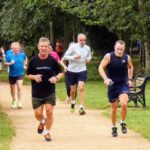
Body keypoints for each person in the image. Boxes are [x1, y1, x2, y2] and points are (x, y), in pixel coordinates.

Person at [26, 37, 63, 142]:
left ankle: (46, 132)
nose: (44, 48)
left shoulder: (52, 60)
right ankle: (42, 121)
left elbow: (60, 73)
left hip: (49, 91)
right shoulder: (33, 60)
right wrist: (34, 77)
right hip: (37, 92)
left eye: (46, 46)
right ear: (38, 47)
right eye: (42, 46)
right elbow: (28, 75)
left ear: (48, 48)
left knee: (49, 111)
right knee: (37, 114)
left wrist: (56, 78)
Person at [98, 40, 133, 137]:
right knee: (113, 109)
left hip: (123, 84)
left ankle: (122, 122)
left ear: (124, 49)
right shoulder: (109, 56)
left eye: (121, 49)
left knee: (124, 104)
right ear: (114, 48)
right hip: (112, 85)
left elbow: (130, 67)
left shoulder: (127, 57)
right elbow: (100, 68)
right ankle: (113, 127)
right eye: (118, 49)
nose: (119, 51)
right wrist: (106, 79)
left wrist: (129, 79)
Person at [62, 33, 92, 115]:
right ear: (77, 40)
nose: (82, 41)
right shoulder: (73, 47)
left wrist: (88, 59)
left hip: (82, 70)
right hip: (72, 71)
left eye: (84, 40)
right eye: (81, 40)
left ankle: (81, 107)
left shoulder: (87, 48)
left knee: (81, 87)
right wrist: (74, 57)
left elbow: (89, 56)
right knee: (72, 90)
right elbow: (65, 57)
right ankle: (73, 102)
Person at [4, 42, 27, 109]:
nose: (16, 49)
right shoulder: (9, 55)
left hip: (20, 74)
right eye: (14, 48)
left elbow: (25, 59)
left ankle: (19, 101)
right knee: (12, 89)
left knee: (19, 87)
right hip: (12, 74)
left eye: (17, 48)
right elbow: (5, 63)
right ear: (12, 49)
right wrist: (10, 63)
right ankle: (14, 100)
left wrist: (24, 65)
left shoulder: (22, 55)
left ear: (19, 48)